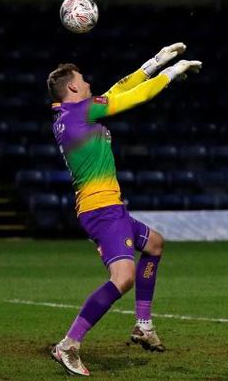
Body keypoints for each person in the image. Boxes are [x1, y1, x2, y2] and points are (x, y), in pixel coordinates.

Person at [47, 43, 202, 376]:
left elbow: (118, 90)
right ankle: (68, 345)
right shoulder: (81, 111)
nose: (88, 83)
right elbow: (134, 97)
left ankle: (143, 325)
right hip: (102, 209)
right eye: (83, 79)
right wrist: (172, 73)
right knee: (123, 277)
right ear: (73, 86)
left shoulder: (71, 113)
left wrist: (154, 62)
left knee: (155, 244)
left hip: (104, 207)